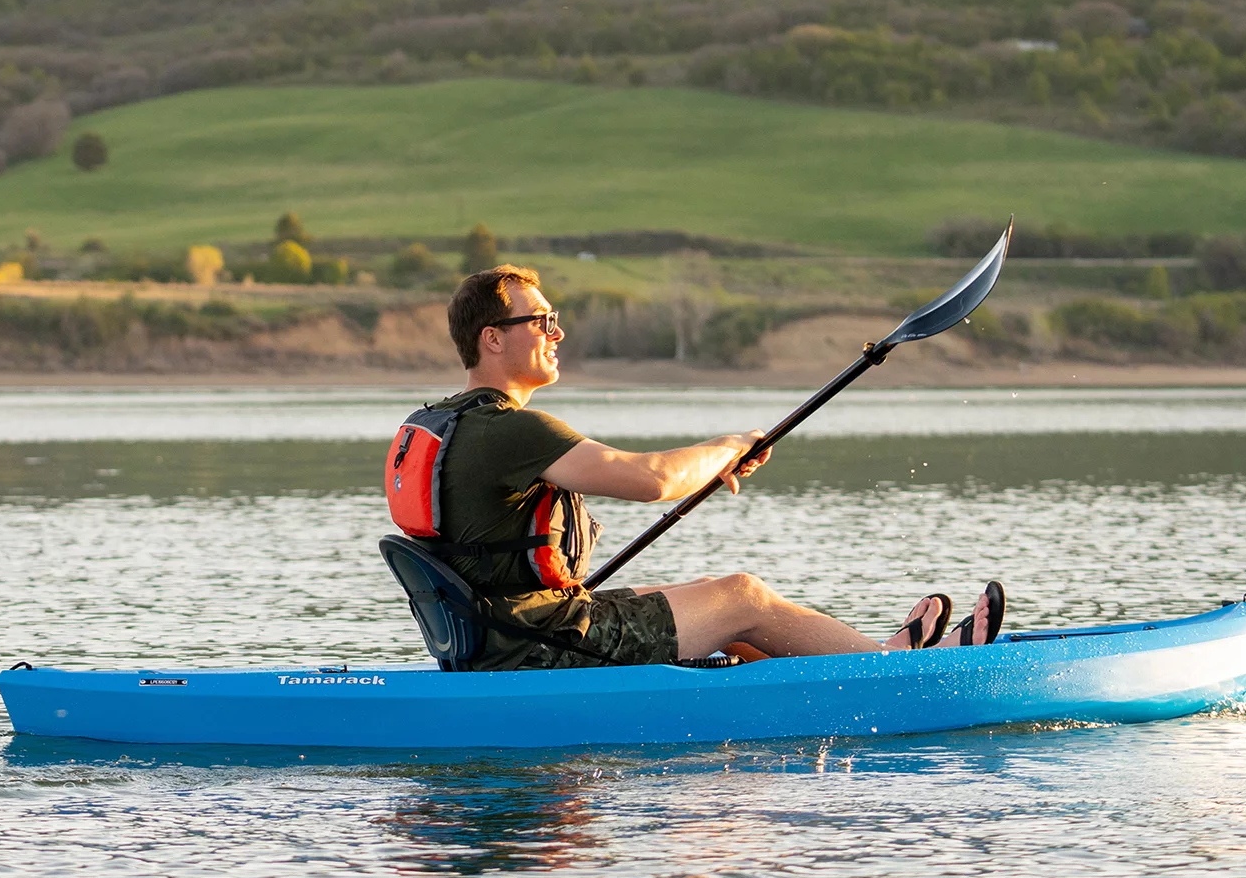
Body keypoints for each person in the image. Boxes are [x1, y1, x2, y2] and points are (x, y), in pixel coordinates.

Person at [398, 263, 1006, 670]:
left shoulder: (440, 421)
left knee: (725, 621)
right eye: (541, 321)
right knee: (743, 596)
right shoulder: (511, 429)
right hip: (534, 643)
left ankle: (857, 668)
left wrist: (715, 462)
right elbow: (653, 479)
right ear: (492, 339)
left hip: (500, 635)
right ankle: (895, 676)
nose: (557, 333)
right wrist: (728, 447)